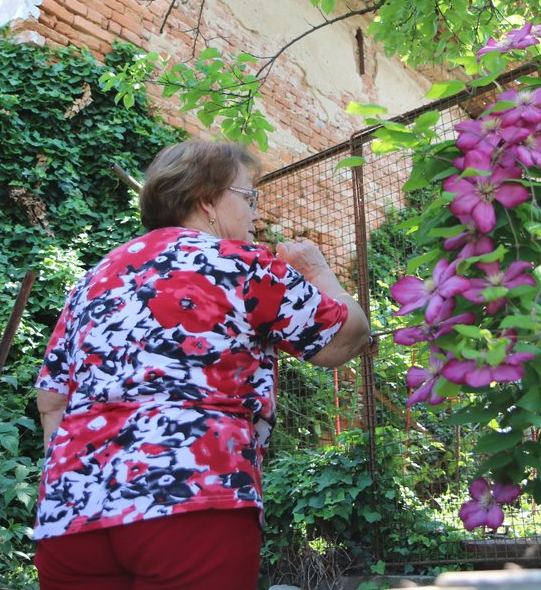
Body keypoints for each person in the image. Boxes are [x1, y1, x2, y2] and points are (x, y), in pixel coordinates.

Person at [32, 140, 370, 589]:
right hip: (191, 498)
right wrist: (317, 271)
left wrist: (77, 476)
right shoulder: (242, 265)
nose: (254, 214)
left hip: (70, 510)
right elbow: (345, 339)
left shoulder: (94, 278)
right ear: (208, 200)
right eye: (248, 198)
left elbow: (52, 399)